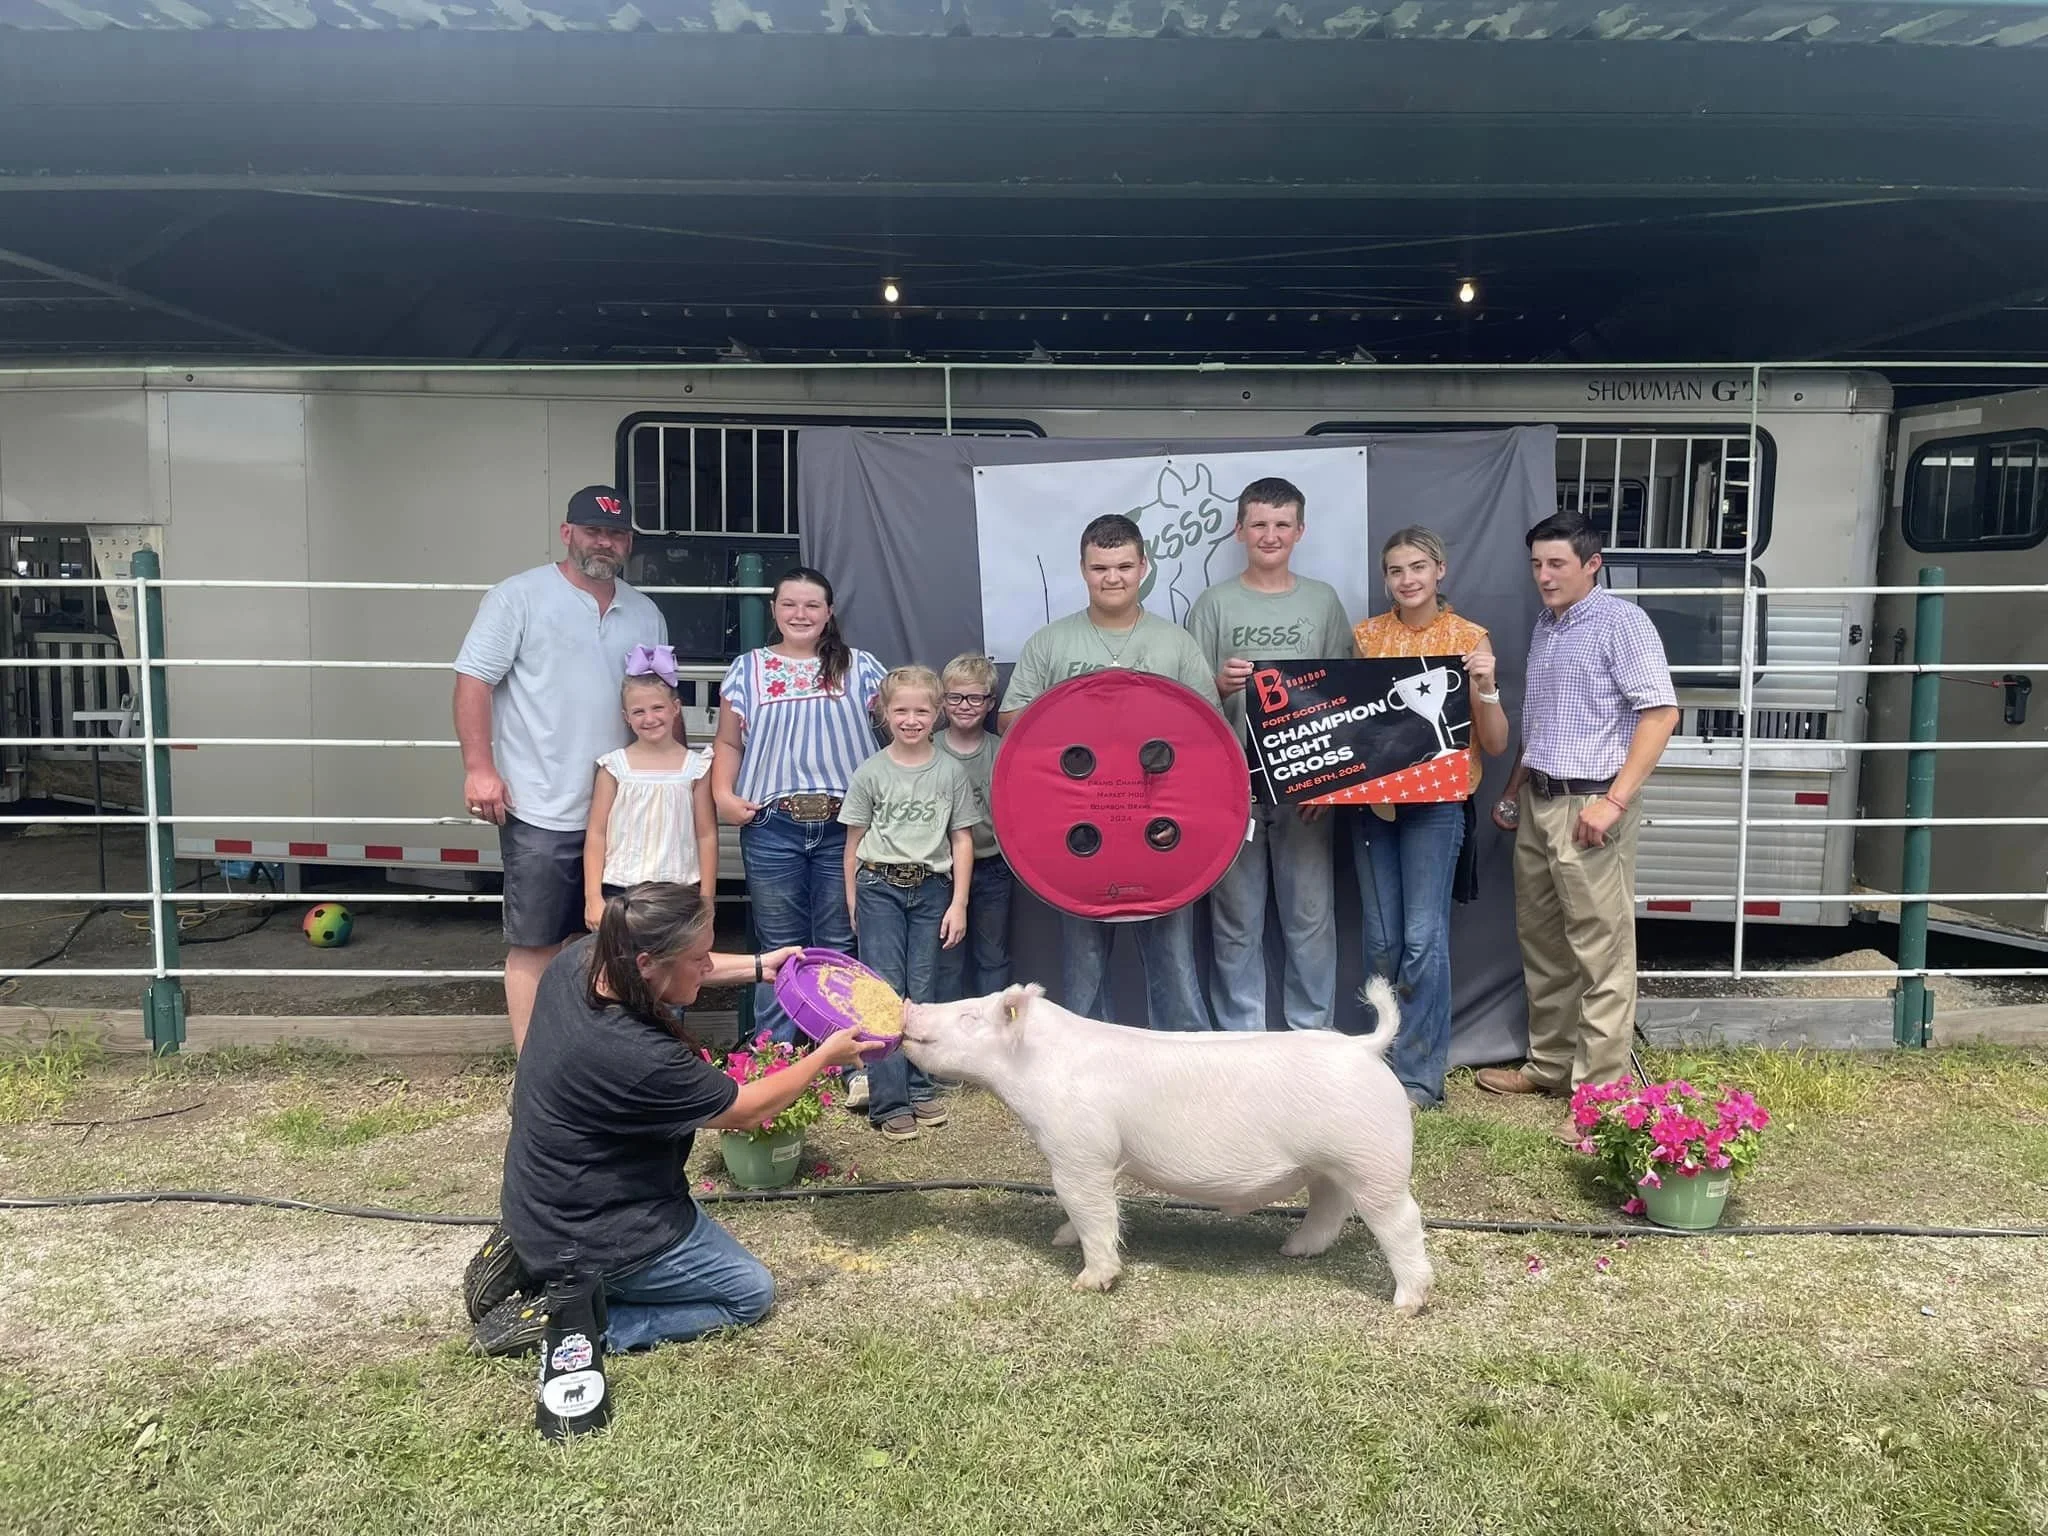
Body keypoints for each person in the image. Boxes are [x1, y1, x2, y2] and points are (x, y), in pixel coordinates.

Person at [463, 883, 877, 1358]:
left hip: (540, 1195)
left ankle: (529, 1250)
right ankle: (577, 1322)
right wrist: (825, 1056)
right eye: (699, 958)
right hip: (602, 1230)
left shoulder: (581, 959)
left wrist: (762, 967)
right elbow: (747, 1110)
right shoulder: (638, 1055)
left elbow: (682, 962)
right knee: (750, 1293)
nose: (708, 965)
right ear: (646, 965)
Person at [1475, 511, 1678, 1130]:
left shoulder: (1623, 624)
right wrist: (1514, 789)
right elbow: (1539, 724)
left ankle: (1601, 1097)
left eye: (1557, 563)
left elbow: (1661, 714)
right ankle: (1552, 1064)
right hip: (1541, 800)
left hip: (1592, 806)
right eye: (1537, 563)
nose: (1544, 575)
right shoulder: (1547, 625)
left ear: (1593, 563)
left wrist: (1613, 801)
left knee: (1601, 949)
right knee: (1544, 942)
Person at [453, 485, 667, 1052]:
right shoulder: (517, 597)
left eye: (617, 533)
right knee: (538, 943)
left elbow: (657, 703)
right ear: (567, 532)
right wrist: (479, 767)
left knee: (615, 940)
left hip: (623, 808)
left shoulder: (644, 612)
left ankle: (600, 1055)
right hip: (539, 803)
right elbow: (473, 681)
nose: (606, 542)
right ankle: (534, 1065)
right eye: (594, 530)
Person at [998, 513, 1220, 1031]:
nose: (1112, 577)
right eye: (1100, 567)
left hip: (1163, 826)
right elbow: (1011, 723)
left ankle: (1183, 1070)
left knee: (1174, 967)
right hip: (1079, 831)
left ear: (1144, 566)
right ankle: (1086, 1081)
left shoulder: (1176, 644)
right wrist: (1072, 706)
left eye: (1123, 565)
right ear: (1082, 569)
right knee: (1083, 972)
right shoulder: (1051, 643)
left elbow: (1208, 736)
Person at [711, 567, 888, 1106]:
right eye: (790, 604)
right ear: (774, 609)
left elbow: (904, 726)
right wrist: (722, 793)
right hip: (772, 824)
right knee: (776, 950)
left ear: (829, 611)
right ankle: (773, 1060)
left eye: (812, 605)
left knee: (837, 947)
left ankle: (843, 1061)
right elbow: (729, 743)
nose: (801, 614)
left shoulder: (862, 667)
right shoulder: (748, 669)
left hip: (843, 824)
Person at [1184, 476, 1354, 1033]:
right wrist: (1221, 684)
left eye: (1282, 524)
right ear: (1239, 530)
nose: (1270, 534)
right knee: (1235, 923)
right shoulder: (1213, 604)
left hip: (1305, 787)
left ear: (1300, 531)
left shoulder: (1323, 600)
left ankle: (1312, 1040)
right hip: (1235, 789)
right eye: (1259, 523)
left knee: (1310, 921)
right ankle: (1243, 1043)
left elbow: (1343, 695)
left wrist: (1327, 782)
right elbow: (1187, 701)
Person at [1351, 527, 1512, 1109]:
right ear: (1385, 578)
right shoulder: (1366, 637)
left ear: (1439, 569)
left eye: (1417, 566)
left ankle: (1419, 1078)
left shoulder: (1469, 639)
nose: (1407, 579)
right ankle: (1379, 1068)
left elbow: (1493, 745)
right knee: (1381, 942)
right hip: (1373, 809)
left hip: (1439, 808)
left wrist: (1487, 686)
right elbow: (1350, 730)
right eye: (1395, 570)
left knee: (1422, 942)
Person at [839, 665, 982, 1140]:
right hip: (879, 886)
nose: (911, 719)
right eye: (901, 710)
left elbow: (961, 839)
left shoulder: (950, 772)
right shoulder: (872, 772)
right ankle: (888, 1099)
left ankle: (919, 1089)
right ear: (884, 712)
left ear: (938, 713)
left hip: (931, 890)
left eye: (922, 710)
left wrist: (958, 902)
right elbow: (854, 842)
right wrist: (854, 899)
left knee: (921, 989)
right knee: (882, 992)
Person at [582, 645, 717, 929]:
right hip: (621, 889)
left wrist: (707, 899)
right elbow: (596, 834)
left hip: (679, 889)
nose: (650, 718)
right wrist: (593, 897)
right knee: (622, 966)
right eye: (638, 711)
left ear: (676, 709)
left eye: (658, 708)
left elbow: (706, 835)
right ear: (626, 717)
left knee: (673, 967)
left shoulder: (696, 767)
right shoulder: (614, 767)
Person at [931, 652, 1013, 1010]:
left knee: (992, 956)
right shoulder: (926, 749)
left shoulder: (1003, 752)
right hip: (939, 870)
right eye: (955, 697)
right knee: (946, 960)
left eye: (975, 697)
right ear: (942, 701)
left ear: (990, 702)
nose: (965, 706)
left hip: (993, 866)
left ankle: (992, 1038)